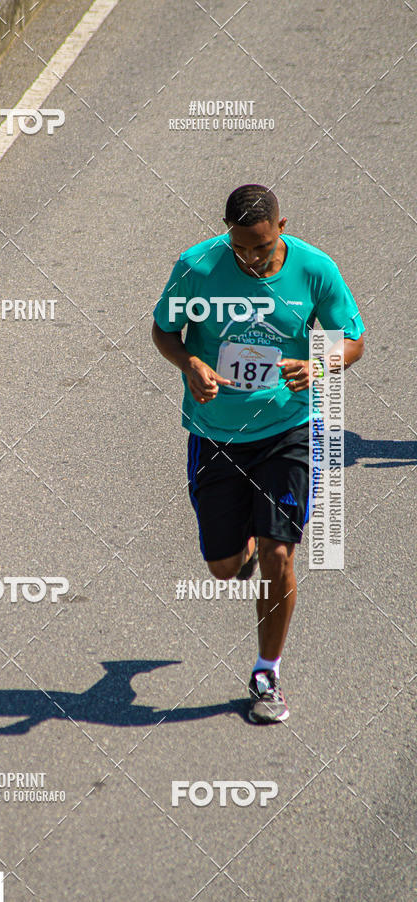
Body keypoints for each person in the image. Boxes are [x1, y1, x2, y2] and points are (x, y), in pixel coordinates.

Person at [152, 184, 365, 723]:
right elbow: (164, 330)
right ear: (227, 234)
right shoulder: (196, 267)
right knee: (224, 568)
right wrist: (189, 363)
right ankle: (244, 545)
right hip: (217, 434)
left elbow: (352, 340)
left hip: (287, 428)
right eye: (240, 248)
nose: (250, 259)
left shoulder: (315, 269)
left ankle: (266, 673)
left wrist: (319, 364)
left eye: (262, 248)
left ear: (281, 228)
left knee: (280, 554)